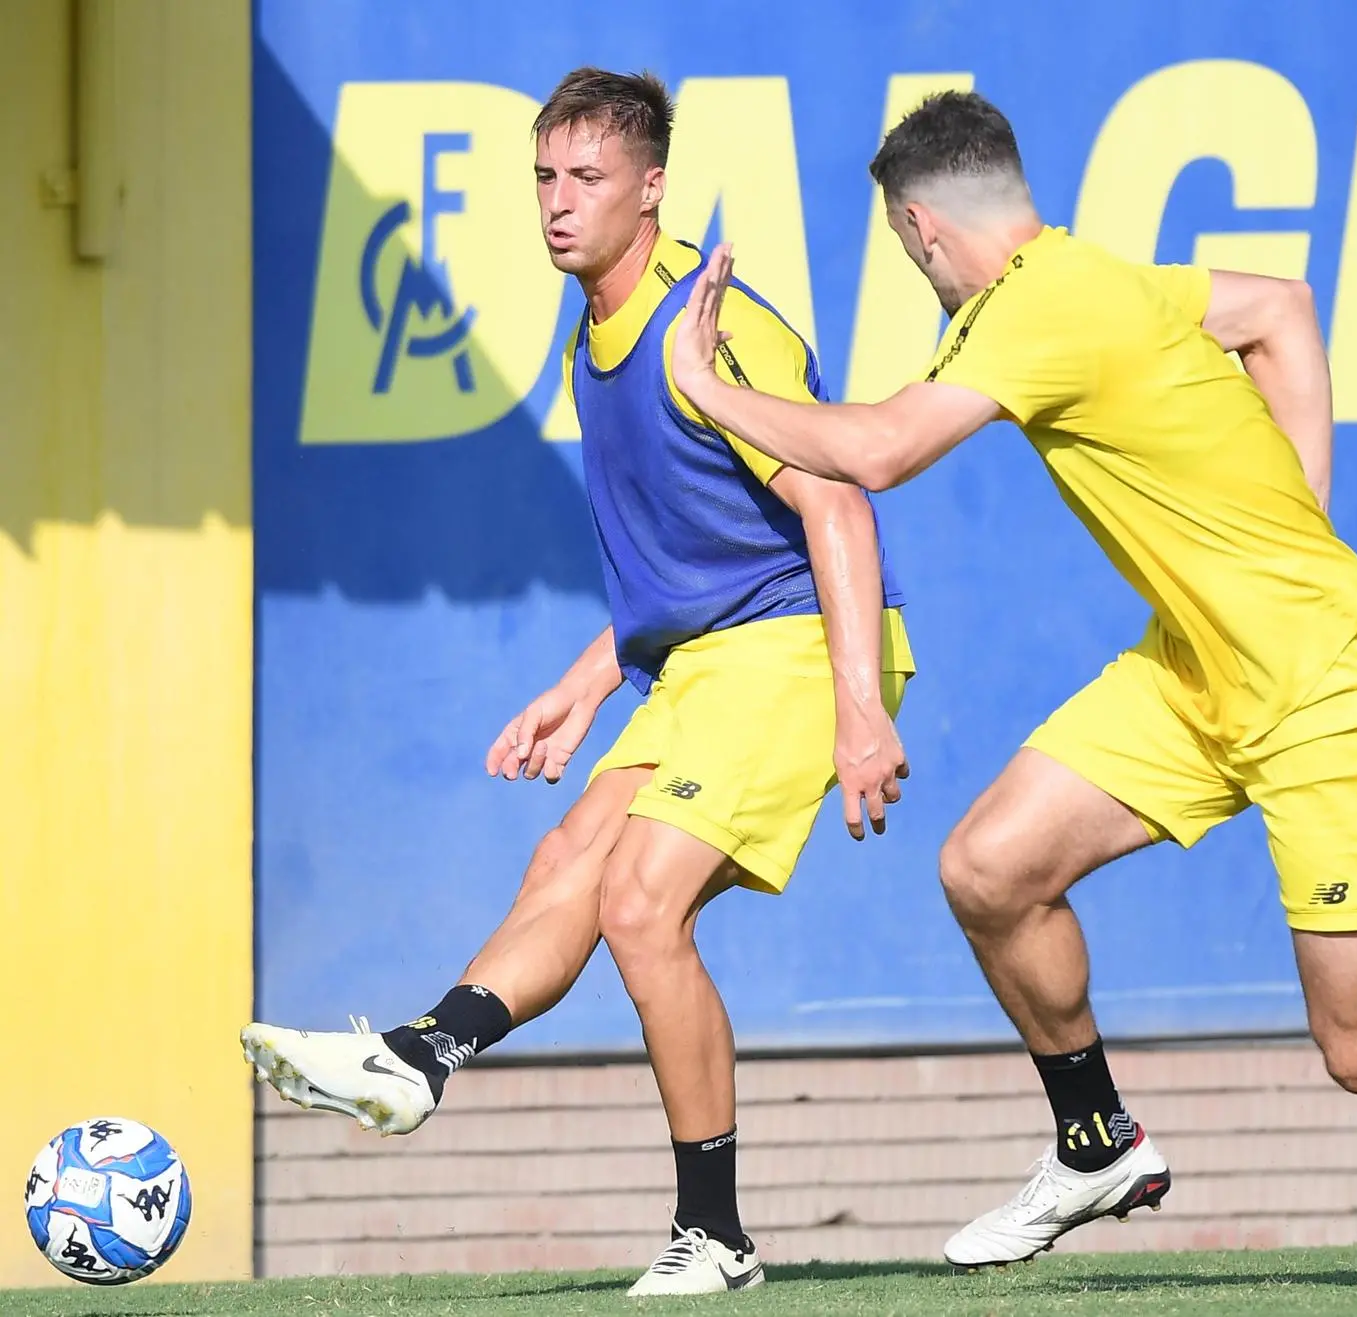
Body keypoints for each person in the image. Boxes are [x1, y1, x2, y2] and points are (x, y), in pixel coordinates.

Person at [669, 89, 1357, 1269]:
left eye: (906, 251)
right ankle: (1095, 1144)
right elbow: (1279, 310)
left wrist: (708, 385)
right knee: (991, 871)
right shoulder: (1107, 279)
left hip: (1331, 690)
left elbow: (878, 450)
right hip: (1199, 677)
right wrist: (1298, 518)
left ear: (926, 229)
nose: (916, 269)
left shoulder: (1028, 309)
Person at [241, 67, 916, 1296]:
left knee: (643, 904)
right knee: (568, 861)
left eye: (587, 179)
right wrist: (589, 679)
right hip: (704, 662)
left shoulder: (709, 325)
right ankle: (420, 1055)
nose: (557, 203)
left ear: (651, 188)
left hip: (803, 649)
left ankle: (712, 1234)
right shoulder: (585, 341)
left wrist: (861, 706)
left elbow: (836, 510)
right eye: (545, 178)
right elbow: (684, 560)